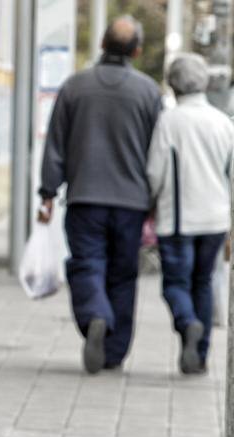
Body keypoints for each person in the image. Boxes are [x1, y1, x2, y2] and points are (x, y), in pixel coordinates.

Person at [38, 15, 162, 374]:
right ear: (137, 51)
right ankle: (114, 352)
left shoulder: (75, 86)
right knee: (123, 274)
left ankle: (95, 314)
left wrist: (47, 193)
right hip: (132, 202)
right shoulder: (148, 92)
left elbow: (56, 145)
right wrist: (156, 200)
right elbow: (158, 150)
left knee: (87, 264)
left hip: (84, 198)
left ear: (103, 45)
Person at [147, 53, 234, 374]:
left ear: (173, 84)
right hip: (215, 218)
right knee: (204, 283)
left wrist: (151, 200)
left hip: (179, 218)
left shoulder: (169, 121)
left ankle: (187, 323)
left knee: (175, 283)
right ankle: (200, 354)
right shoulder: (223, 122)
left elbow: (155, 172)